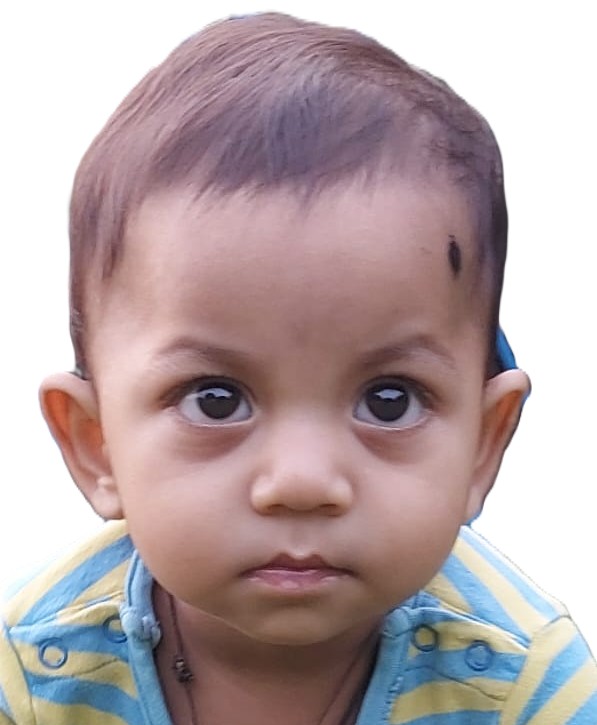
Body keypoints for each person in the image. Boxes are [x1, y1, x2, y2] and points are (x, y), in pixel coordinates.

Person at [1, 12, 595, 725]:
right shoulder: (32, 674)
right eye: (216, 400)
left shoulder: (526, 682)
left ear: (482, 443)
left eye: (389, 400)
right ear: (95, 443)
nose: (302, 483)